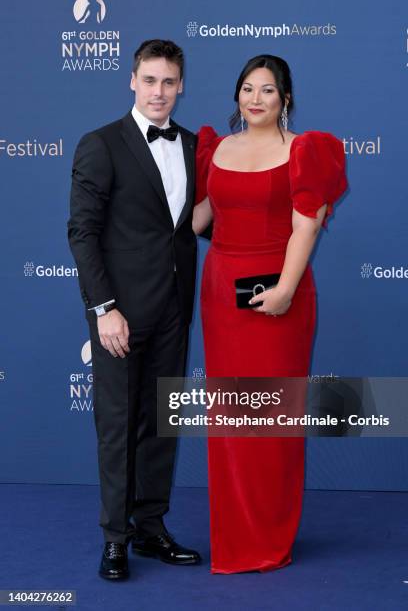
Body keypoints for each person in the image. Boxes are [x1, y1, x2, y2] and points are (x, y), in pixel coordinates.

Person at [193, 54, 347, 574]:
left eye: (267, 91)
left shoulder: (305, 151)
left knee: (271, 417)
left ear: (285, 99)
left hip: (280, 293)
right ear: (236, 95)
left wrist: (284, 288)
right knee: (232, 419)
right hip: (222, 294)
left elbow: (306, 225)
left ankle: (270, 536)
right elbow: (198, 221)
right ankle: (234, 535)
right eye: (247, 89)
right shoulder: (217, 149)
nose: (255, 99)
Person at [68, 39, 201, 580]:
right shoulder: (101, 144)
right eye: (150, 80)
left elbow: (197, 224)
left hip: (174, 308)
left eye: (169, 82)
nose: (159, 92)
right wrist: (104, 309)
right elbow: (83, 233)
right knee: (119, 425)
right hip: (119, 312)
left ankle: (151, 528)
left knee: (162, 423)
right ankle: (115, 538)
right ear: (131, 80)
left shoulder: (193, 145)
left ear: (181, 86)